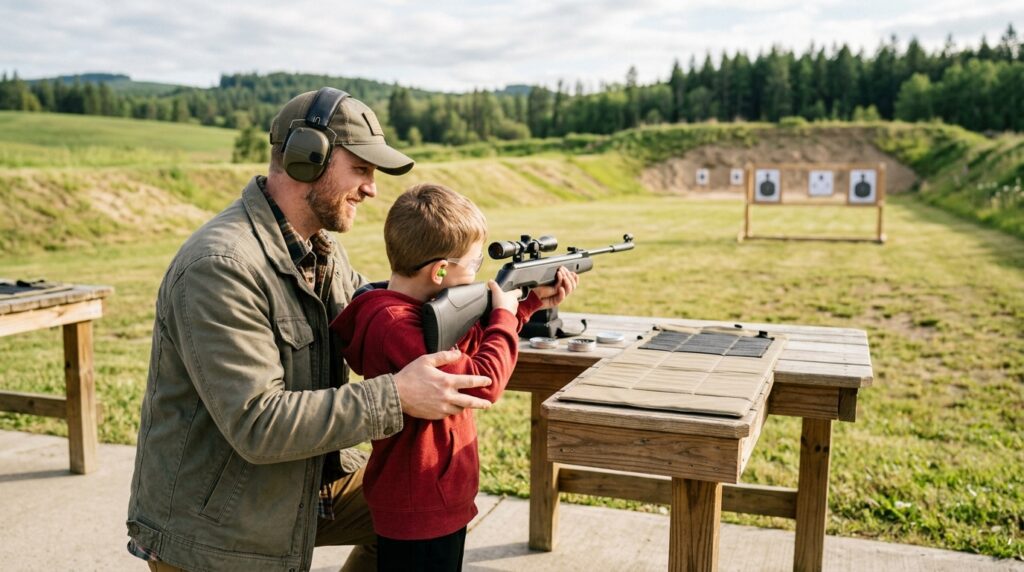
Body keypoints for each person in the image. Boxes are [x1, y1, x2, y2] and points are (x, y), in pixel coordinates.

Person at [125, 88, 498, 572]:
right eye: (361, 169)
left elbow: (390, 309)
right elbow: (257, 423)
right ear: (308, 158)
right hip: (216, 524)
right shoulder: (221, 266)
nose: (371, 189)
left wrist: (498, 305)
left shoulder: (318, 249)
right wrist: (397, 395)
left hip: (305, 480)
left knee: (430, 507)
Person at [329, 183, 578, 571]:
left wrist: (528, 305)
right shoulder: (395, 325)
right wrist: (504, 316)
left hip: (432, 499)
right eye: (474, 265)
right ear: (441, 270)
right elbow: (482, 381)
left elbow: (466, 351)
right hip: (419, 508)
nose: (479, 274)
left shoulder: (412, 317)